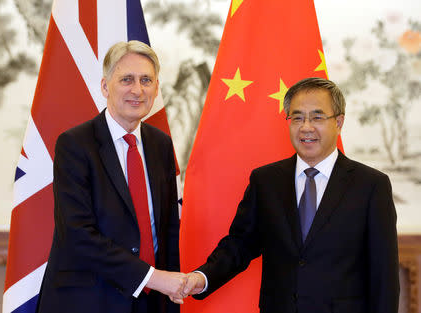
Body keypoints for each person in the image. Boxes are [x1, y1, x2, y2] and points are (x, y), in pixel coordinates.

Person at [183, 77, 400, 313]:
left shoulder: (371, 186)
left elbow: (384, 277)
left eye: (317, 117)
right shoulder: (265, 181)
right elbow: (239, 245)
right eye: (297, 117)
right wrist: (201, 278)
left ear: (339, 122)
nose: (306, 127)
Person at [36, 40, 185, 313]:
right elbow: (78, 234)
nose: (137, 90)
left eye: (146, 80)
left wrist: (169, 292)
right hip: (89, 300)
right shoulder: (75, 144)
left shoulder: (161, 144)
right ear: (105, 86)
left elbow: (166, 229)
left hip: (151, 301)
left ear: (156, 88)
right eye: (126, 79)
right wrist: (151, 277)